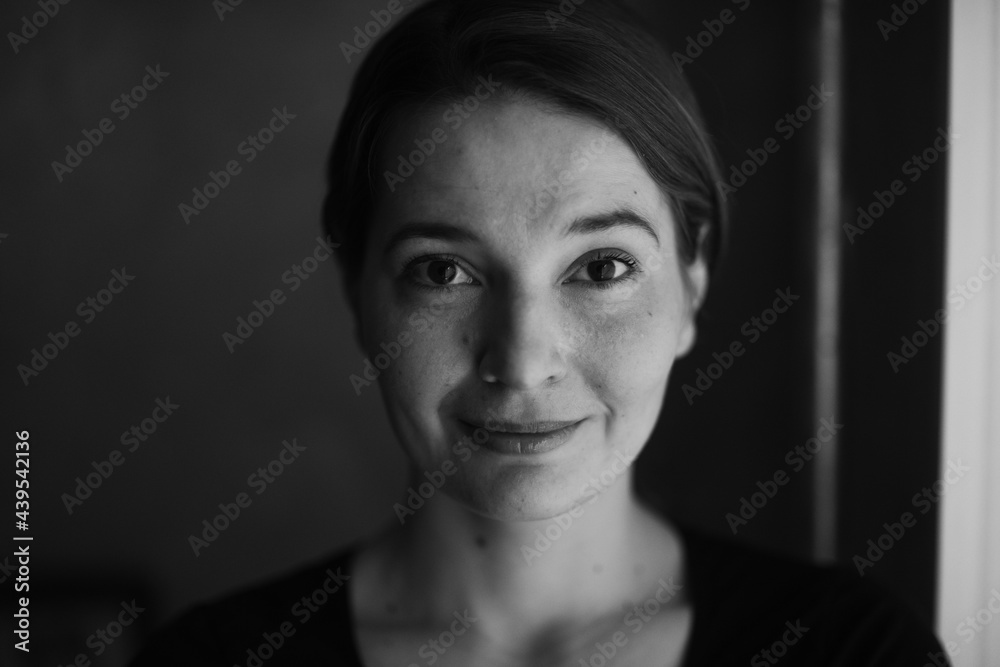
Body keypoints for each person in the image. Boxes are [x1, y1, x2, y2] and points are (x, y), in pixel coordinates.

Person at [130, 0, 949, 664]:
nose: (521, 360)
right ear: (356, 290)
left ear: (692, 286)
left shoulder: (855, 651)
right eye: (443, 271)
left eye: (601, 269)